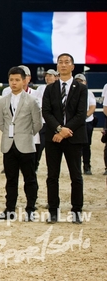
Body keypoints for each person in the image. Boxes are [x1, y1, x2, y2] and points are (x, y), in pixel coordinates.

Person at [42, 53, 88, 224]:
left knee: (76, 176)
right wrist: (59, 129)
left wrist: (66, 130)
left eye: (66, 62)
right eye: (60, 62)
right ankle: (53, 211)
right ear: (57, 66)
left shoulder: (81, 88)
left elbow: (81, 114)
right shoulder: (50, 88)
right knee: (52, 176)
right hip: (54, 137)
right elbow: (46, 112)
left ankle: (76, 211)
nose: (63, 65)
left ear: (72, 66)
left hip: (74, 137)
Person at [0, 67, 42, 222]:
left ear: (24, 81)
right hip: (8, 145)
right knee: (11, 179)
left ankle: (30, 209)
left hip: (26, 144)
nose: (14, 83)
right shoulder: (3, 100)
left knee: (30, 179)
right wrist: (10, 135)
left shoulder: (32, 100)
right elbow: (1, 123)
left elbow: (37, 124)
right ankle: (10, 209)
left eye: (17, 80)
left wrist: (26, 134)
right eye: (11, 80)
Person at [35, 69, 58, 171]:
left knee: (53, 147)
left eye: (50, 75)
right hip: (43, 122)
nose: (47, 78)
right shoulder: (40, 88)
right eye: (46, 76)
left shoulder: (59, 89)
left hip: (54, 122)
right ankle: (35, 164)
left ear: (56, 77)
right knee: (40, 145)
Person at [74, 74, 96, 175]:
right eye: (77, 81)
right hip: (75, 123)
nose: (79, 83)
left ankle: (87, 166)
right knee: (75, 146)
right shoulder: (71, 93)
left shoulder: (89, 93)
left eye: (81, 81)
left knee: (86, 145)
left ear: (85, 82)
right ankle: (76, 167)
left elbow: (92, 107)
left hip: (86, 122)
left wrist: (83, 117)